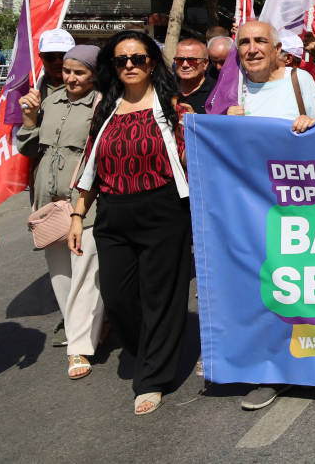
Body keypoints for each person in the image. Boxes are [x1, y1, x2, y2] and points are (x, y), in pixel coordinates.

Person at [68, 31, 189, 416]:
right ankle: (151, 346)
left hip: (163, 211)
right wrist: (77, 215)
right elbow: (90, 165)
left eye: (138, 58)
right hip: (113, 213)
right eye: (122, 60)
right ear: (113, 66)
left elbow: (194, 160)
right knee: (118, 297)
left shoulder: (174, 107)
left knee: (160, 296)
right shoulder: (105, 108)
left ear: (152, 63)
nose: (130, 65)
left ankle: (152, 378)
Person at [222, 22, 315, 412]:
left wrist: (312, 124)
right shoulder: (231, 90)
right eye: (244, 42)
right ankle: (270, 370)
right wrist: (225, 121)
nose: (252, 49)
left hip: (300, 208)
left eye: (260, 41)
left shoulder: (300, 81)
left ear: (278, 49)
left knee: (301, 286)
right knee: (262, 292)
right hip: (248, 211)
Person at [16, 44, 104, 381]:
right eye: (67, 71)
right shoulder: (48, 101)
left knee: (84, 270)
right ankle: (81, 326)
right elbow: (29, 148)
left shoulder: (102, 103)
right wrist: (28, 119)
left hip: (83, 198)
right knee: (60, 274)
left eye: (79, 72)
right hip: (47, 199)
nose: (70, 77)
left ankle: (78, 346)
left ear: (94, 74)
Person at [174, 38, 215, 114]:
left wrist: (195, 118)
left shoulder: (216, 91)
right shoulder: (166, 86)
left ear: (205, 64)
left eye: (192, 60)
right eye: (179, 59)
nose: (185, 65)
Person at [39, 28, 77, 93]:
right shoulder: (32, 86)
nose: (57, 62)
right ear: (41, 57)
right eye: (50, 56)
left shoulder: (88, 87)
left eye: (63, 56)